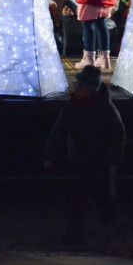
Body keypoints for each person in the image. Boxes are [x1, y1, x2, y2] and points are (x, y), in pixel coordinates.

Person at [43, 65, 125, 245]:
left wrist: (113, 159)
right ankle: (74, 229)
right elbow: (59, 131)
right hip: (79, 157)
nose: (75, 90)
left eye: (80, 87)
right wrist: (51, 155)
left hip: (99, 160)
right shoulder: (72, 107)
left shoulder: (105, 109)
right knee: (77, 194)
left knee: (99, 192)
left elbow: (117, 135)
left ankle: (107, 214)